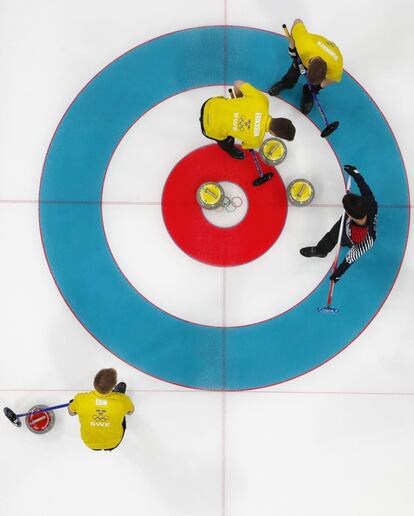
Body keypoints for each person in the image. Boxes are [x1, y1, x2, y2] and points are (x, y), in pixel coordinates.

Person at [300, 165, 378, 283]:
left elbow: (351, 258)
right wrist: (356, 174)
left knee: (340, 239)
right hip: (349, 223)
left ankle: (341, 243)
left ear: (349, 214)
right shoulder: (370, 203)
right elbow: (364, 188)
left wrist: (338, 274)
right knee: (332, 235)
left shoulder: (365, 241)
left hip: (351, 237)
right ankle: (321, 250)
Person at [200, 80, 296, 160]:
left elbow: (237, 83)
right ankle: (229, 149)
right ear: (274, 134)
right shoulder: (256, 141)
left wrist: (239, 99)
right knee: (227, 141)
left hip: (211, 104)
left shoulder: (262, 101)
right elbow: (244, 145)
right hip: (209, 128)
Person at [269, 19, 343, 114]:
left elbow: (332, 79)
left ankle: (309, 92)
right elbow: (297, 21)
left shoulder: (336, 66)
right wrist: (292, 46)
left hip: (326, 56)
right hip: (307, 52)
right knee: (293, 71)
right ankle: (286, 84)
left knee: (314, 87)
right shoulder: (304, 43)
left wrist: (320, 86)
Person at [68, 368, 134, 451]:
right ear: (113, 385)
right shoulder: (123, 400)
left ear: (94, 383)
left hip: (89, 442)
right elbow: (130, 412)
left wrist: (72, 404)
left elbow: (71, 413)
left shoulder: (80, 399)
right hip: (114, 442)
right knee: (122, 411)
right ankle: (116, 394)